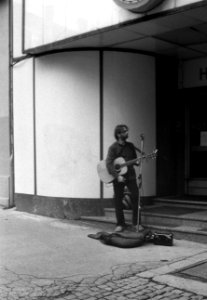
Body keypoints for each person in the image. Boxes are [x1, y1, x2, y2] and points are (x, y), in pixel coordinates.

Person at [106, 124, 143, 232]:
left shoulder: (131, 146)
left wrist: (137, 162)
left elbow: (135, 160)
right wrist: (117, 176)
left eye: (127, 131)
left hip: (130, 175)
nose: (127, 133)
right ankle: (120, 224)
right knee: (118, 199)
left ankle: (136, 223)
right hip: (119, 177)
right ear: (118, 134)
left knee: (136, 197)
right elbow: (109, 164)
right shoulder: (113, 148)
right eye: (124, 131)